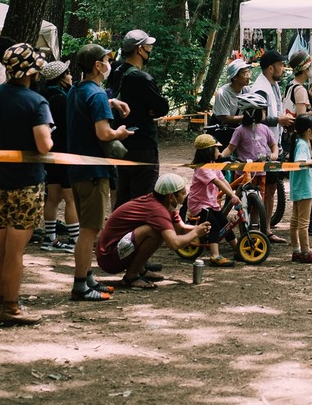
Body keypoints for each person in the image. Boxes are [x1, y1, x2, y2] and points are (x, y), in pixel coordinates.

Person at [0, 43, 53, 326]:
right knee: (15, 251)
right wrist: (50, 135)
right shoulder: (36, 102)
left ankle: (1, 302)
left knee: (3, 247)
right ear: (33, 71)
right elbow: (44, 144)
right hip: (26, 186)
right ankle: (12, 307)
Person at [66, 43, 133, 302]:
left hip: (78, 170)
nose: (110, 64)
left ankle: (88, 276)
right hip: (93, 171)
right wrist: (122, 133)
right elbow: (104, 133)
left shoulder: (77, 90)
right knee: (89, 230)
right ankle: (80, 285)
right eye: (107, 59)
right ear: (97, 65)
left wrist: (110, 101)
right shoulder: (95, 95)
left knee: (88, 227)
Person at [95, 173, 211, 289]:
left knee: (159, 230)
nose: (185, 196)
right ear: (171, 197)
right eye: (182, 193)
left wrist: (198, 228)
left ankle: (140, 270)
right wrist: (195, 233)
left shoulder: (164, 205)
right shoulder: (157, 210)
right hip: (109, 258)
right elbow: (174, 243)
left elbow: (180, 229)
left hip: (118, 250)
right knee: (153, 232)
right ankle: (131, 277)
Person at [108, 29, 171, 206]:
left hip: (121, 143)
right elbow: (161, 107)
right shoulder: (142, 78)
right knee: (143, 198)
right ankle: (137, 234)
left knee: (124, 195)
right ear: (140, 49)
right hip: (143, 144)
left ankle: (122, 232)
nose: (150, 50)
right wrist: (148, 110)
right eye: (148, 47)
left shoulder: (116, 71)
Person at [225, 91, 286, 243]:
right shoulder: (240, 131)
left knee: (259, 201)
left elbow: (273, 145)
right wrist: (220, 155)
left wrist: (273, 153)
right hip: (243, 174)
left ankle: (262, 230)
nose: (265, 113)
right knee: (242, 202)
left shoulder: (264, 129)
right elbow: (230, 148)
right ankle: (244, 232)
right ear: (253, 112)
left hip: (261, 173)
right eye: (262, 110)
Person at [37, 60, 78, 253]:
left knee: (53, 197)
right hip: (65, 153)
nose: (71, 76)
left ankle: (50, 238)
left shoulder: (43, 96)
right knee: (71, 198)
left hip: (51, 154)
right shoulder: (61, 99)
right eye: (68, 73)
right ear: (61, 78)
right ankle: (76, 240)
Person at [252, 49, 294, 226]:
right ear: (271, 68)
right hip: (262, 148)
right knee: (259, 189)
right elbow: (257, 117)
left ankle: (267, 228)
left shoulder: (273, 85)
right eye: (281, 65)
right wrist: (279, 119)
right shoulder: (261, 88)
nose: (283, 69)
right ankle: (255, 227)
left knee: (270, 188)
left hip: (274, 145)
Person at [186, 134, 238, 267]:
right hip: (199, 205)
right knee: (213, 225)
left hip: (210, 203)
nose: (219, 153)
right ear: (209, 151)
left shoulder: (213, 165)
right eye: (216, 149)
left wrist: (232, 193)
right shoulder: (203, 168)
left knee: (225, 224)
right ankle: (215, 256)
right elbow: (216, 182)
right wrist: (231, 196)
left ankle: (237, 248)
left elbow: (223, 180)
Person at [288, 114, 312, 263]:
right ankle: (305, 252)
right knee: (303, 223)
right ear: (309, 131)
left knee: (295, 221)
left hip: (298, 186)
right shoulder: (302, 144)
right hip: (304, 188)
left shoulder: (300, 142)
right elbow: (301, 162)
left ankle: (296, 250)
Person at [210, 58, 252, 147]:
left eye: (249, 72)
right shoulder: (223, 93)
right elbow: (224, 117)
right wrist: (245, 118)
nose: (249, 76)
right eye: (245, 73)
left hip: (236, 130)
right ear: (235, 77)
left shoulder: (246, 90)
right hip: (221, 131)